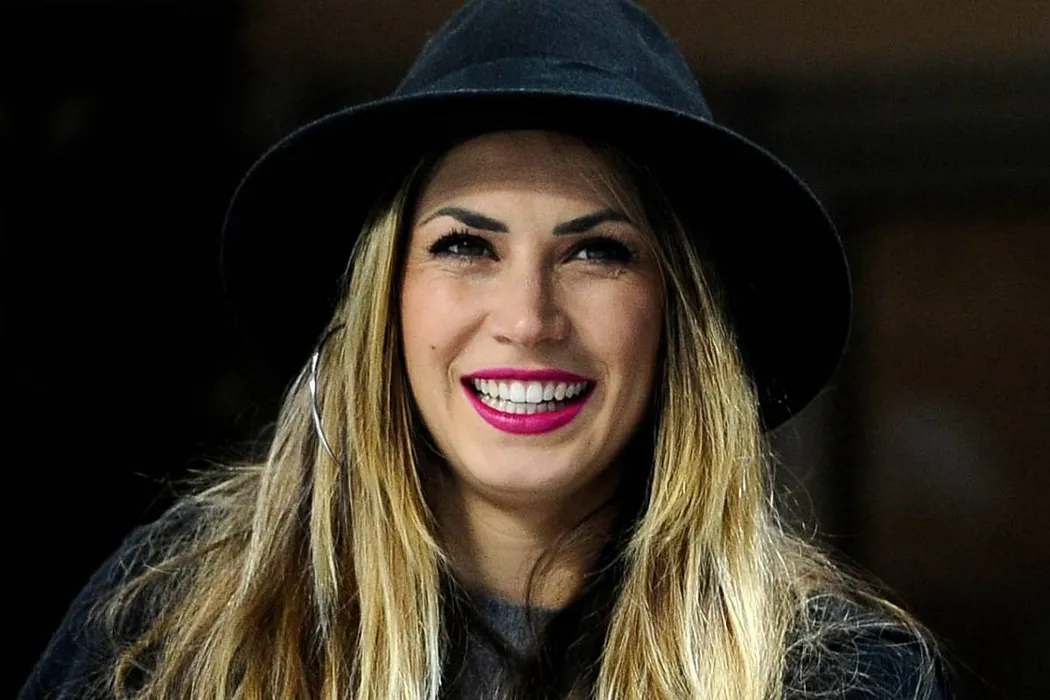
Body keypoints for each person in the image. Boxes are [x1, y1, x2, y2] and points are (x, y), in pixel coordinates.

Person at [20, 1, 949, 699]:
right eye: (466, 246)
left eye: (597, 252)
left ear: (680, 319)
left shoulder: (839, 674)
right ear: (384, 304)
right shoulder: (178, 618)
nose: (528, 319)